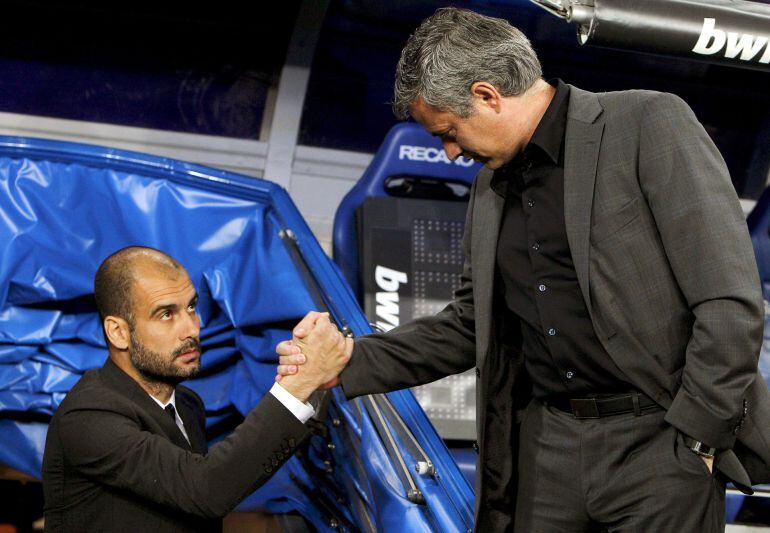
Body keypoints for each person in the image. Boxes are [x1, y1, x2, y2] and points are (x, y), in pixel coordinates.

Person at [277, 7, 770, 532]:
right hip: (547, 446)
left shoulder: (647, 124)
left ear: (488, 95)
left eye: (448, 130)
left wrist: (695, 440)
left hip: (660, 444)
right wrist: (345, 359)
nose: (448, 151)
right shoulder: (489, 187)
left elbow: (729, 304)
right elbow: (469, 326)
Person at [42, 246, 348, 533]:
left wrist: (309, 382)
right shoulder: (88, 416)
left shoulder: (187, 405)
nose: (191, 328)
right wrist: (299, 384)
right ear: (119, 332)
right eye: (166, 314)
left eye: (191, 307)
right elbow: (206, 489)